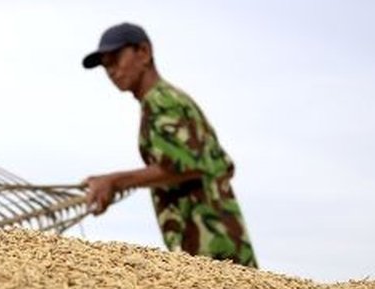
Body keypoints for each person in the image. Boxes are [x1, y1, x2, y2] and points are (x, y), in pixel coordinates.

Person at [81, 22, 257, 268]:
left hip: (213, 245)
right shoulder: (159, 102)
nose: (110, 71)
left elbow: (186, 166)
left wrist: (114, 181)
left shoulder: (162, 101)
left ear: (144, 53)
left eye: (116, 59)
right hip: (207, 241)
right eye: (105, 65)